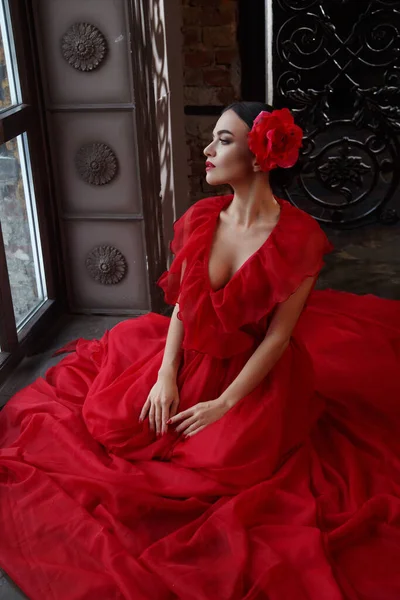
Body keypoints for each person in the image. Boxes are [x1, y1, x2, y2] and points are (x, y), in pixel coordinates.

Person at [0, 101, 400, 600]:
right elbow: (186, 309)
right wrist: (167, 373)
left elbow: (278, 337)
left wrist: (225, 403)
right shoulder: (201, 219)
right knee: (117, 423)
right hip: (192, 357)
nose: (207, 151)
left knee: (224, 461)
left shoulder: (299, 238)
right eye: (212, 139)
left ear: (260, 155)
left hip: (252, 376)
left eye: (224, 141)